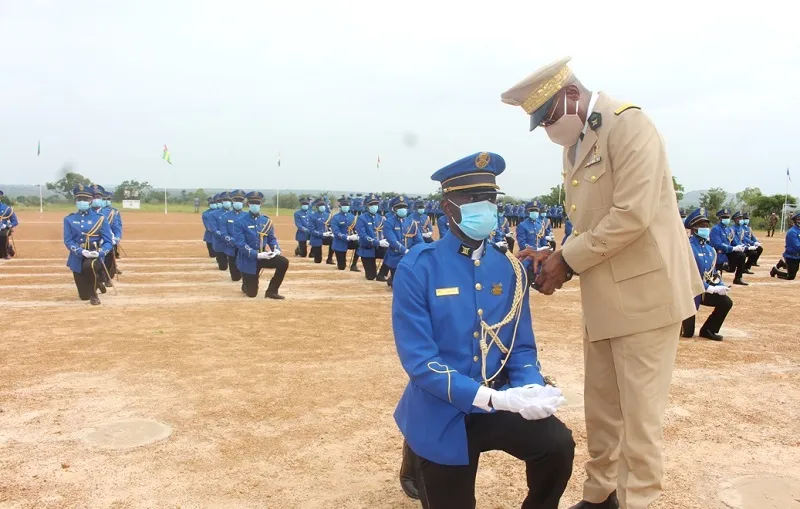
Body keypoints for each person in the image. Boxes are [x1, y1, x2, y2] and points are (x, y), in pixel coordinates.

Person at [501, 57, 703, 509]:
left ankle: (638, 501)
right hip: (605, 300)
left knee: (639, 421)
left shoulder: (629, 126)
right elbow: (589, 222)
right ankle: (601, 496)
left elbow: (632, 214)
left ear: (571, 95)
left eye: (550, 116)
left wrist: (567, 262)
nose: (549, 128)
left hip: (646, 299)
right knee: (603, 412)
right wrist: (555, 256)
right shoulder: (574, 143)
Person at [393, 152, 574, 509]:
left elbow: (521, 347)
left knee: (557, 445)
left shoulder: (509, 269)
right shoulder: (419, 268)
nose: (485, 207)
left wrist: (529, 385)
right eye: (472, 199)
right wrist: (491, 397)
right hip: (443, 409)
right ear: (448, 207)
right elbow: (420, 362)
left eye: (490, 199)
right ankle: (416, 449)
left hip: (499, 400)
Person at [680, 208, 733, 341]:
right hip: (688, 294)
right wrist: (709, 288)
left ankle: (708, 329)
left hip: (702, 291)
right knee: (687, 334)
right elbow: (687, 275)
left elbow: (713, 273)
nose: (705, 228)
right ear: (693, 228)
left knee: (726, 302)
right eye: (701, 226)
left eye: (706, 225)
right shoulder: (687, 247)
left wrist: (720, 286)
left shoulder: (710, 249)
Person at [63, 184, 114, 305]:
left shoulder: (100, 218)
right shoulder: (69, 219)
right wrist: (80, 251)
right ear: (75, 201)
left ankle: (94, 295)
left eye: (85, 199)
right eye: (79, 199)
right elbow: (68, 240)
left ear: (91, 200)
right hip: (77, 256)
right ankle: (97, 284)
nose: (82, 202)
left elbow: (108, 241)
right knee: (83, 296)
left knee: (89, 266)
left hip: (95, 254)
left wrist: (100, 252)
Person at [233, 191, 288, 299]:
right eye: (252, 203)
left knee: (283, 262)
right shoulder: (240, 222)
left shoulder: (266, 221)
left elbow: (272, 238)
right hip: (248, 258)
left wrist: (276, 249)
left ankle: (272, 291)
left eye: (257, 203)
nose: (255, 205)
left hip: (264, 256)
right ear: (248, 204)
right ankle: (246, 282)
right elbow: (241, 244)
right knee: (252, 294)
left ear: (261, 204)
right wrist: (257, 255)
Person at [382, 196, 423, 287]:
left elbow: (419, 240)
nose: (402, 209)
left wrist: (415, 251)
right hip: (395, 256)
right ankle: (392, 279)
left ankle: (392, 279)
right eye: (399, 207)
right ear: (394, 209)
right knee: (398, 286)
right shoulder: (389, 223)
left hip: (410, 257)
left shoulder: (412, 222)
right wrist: (405, 251)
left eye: (404, 207)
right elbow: (393, 241)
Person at [710, 209, 748, 286]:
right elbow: (718, 244)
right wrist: (732, 248)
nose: (726, 219)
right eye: (724, 217)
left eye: (727, 217)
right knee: (719, 266)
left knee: (741, 255)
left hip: (727, 252)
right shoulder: (716, 229)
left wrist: (740, 246)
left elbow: (733, 240)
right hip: (719, 252)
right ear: (720, 218)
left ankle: (738, 278)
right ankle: (717, 280)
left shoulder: (728, 229)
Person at [220, 189, 248, 284]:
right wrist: (231, 240)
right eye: (236, 201)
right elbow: (223, 232)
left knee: (245, 267)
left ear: (243, 203)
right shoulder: (226, 216)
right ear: (233, 202)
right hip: (231, 246)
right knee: (235, 277)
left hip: (244, 247)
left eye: (240, 201)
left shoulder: (247, 216)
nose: (238, 203)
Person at [356, 193, 385, 280]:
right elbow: (363, 235)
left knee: (391, 255)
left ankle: (382, 274)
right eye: (371, 204)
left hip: (379, 247)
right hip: (367, 248)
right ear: (367, 206)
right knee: (371, 276)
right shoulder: (361, 218)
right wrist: (377, 242)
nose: (374, 206)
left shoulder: (380, 218)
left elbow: (385, 231)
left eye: (376, 204)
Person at [331, 196, 361, 271]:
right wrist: (347, 237)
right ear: (340, 207)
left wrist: (357, 235)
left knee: (360, 244)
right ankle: (342, 261)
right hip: (340, 242)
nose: (346, 207)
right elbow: (336, 232)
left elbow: (356, 228)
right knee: (341, 267)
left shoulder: (352, 217)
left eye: (347, 206)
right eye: (344, 206)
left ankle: (354, 265)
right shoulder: (335, 218)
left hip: (350, 241)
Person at [770, 211, 800, 280]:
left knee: (794, 269)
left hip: (798, 255)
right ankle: (775, 270)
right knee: (791, 276)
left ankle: (783, 263)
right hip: (792, 256)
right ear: (795, 221)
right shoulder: (792, 232)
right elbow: (797, 246)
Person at [211, 192, 231, 271]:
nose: (227, 202)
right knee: (223, 267)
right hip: (220, 241)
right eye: (225, 200)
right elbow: (214, 229)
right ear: (222, 201)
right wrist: (225, 236)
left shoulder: (235, 214)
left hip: (233, 243)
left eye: (229, 200)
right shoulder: (213, 214)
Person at [309, 198, 333, 264]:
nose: (322, 207)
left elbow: (331, 225)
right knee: (318, 260)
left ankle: (330, 259)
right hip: (317, 237)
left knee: (333, 239)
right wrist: (322, 234)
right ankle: (314, 253)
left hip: (327, 236)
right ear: (317, 207)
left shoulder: (328, 215)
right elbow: (312, 230)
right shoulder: (312, 216)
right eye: (320, 206)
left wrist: (331, 231)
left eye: (323, 206)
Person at [0, 189, 19, 259]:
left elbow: (15, 221)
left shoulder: (7, 209)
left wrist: (8, 225)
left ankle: (5, 253)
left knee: (2, 234)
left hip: (3, 229)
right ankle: (8, 247)